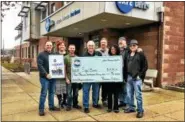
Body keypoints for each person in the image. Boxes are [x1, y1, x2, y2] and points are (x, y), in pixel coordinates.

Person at [123, 39, 148, 118]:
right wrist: (125, 76)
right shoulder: (128, 54)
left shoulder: (141, 54)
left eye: (134, 45)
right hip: (129, 77)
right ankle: (131, 108)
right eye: (131, 45)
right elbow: (125, 65)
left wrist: (140, 75)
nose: (133, 46)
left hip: (137, 78)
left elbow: (145, 66)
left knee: (138, 95)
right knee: (129, 94)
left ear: (137, 46)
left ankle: (140, 111)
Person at [37, 41, 60, 116]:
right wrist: (46, 74)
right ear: (45, 46)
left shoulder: (54, 54)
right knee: (44, 93)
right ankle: (41, 109)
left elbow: (57, 64)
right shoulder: (41, 55)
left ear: (52, 46)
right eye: (47, 45)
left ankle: (51, 106)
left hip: (53, 77)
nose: (49, 46)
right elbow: (40, 66)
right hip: (44, 77)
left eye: (50, 45)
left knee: (52, 93)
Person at [83, 40, 102, 113]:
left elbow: (102, 64)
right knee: (85, 91)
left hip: (96, 77)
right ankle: (86, 106)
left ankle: (95, 103)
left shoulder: (99, 54)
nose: (91, 47)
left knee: (96, 91)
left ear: (94, 47)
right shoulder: (84, 55)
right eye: (89, 45)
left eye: (92, 45)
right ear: (87, 47)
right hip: (87, 77)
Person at [64, 44, 82, 111]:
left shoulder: (77, 57)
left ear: (75, 49)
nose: (72, 49)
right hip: (69, 78)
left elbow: (80, 69)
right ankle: (69, 105)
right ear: (68, 49)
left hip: (76, 79)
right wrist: (66, 78)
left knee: (76, 93)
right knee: (69, 94)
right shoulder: (66, 57)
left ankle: (75, 104)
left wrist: (80, 78)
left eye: (73, 48)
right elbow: (64, 69)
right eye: (71, 48)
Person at [106, 45, 122, 113]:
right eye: (112, 49)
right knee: (109, 94)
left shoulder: (119, 58)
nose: (113, 50)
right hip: (109, 79)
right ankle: (109, 107)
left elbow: (122, 67)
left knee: (116, 94)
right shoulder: (107, 58)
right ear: (110, 50)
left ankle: (116, 107)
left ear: (117, 50)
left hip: (117, 78)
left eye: (114, 49)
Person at [96, 37, 109, 107]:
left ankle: (104, 100)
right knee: (97, 88)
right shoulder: (96, 51)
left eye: (104, 43)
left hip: (106, 73)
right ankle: (96, 101)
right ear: (100, 44)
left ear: (107, 44)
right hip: (97, 73)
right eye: (102, 43)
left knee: (105, 87)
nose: (103, 44)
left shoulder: (109, 51)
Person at [118, 37, 129, 109]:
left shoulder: (128, 50)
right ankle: (121, 101)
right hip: (119, 74)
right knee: (120, 89)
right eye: (119, 42)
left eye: (122, 42)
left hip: (125, 73)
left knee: (126, 89)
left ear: (125, 43)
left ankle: (127, 103)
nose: (120, 43)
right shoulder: (118, 51)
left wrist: (126, 47)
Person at [55, 41, 67, 109]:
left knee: (65, 90)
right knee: (58, 90)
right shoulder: (55, 54)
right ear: (58, 47)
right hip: (58, 75)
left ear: (65, 47)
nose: (62, 46)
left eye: (63, 45)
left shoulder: (67, 54)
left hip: (66, 75)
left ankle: (64, 102)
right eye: (60, 45)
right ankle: (60, 101)